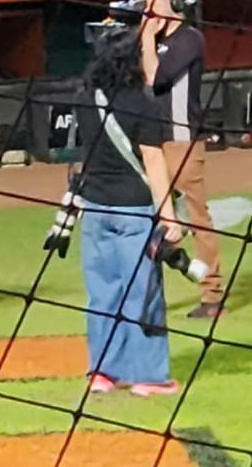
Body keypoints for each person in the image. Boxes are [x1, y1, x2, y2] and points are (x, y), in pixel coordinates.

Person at [75, 27, 180, 396]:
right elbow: (153, 162)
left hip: (95, 208)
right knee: (143, 294)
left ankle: (104, 372)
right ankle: (150, 376)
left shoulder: (85, 99)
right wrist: (170, 217)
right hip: (135, 209)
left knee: (103, 294)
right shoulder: (144, 104)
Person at [141, 0, 224, 318]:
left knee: (197, 217)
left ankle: (212, 295)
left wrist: (146, 37)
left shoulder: (189, 40)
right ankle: (145, 296)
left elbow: (154, 79)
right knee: (149, 219)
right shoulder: (155, 40)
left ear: (174, 5)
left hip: (182, 141)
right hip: (153, 142)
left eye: (153, 2)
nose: (147, 10)